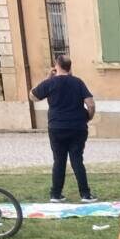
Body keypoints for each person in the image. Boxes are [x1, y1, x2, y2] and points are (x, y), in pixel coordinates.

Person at [29, 54, 96, 202]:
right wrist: (88, 117)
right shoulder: (78, 82)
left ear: (56, 66)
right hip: (77, 127)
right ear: (70, 67)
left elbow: (33, 96)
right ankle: (85, 194)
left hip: (57, 126)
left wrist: (48, 78)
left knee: (59, 161)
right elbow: (90, 104)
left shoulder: (50, 83)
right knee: (77, 160)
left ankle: (55, 194)